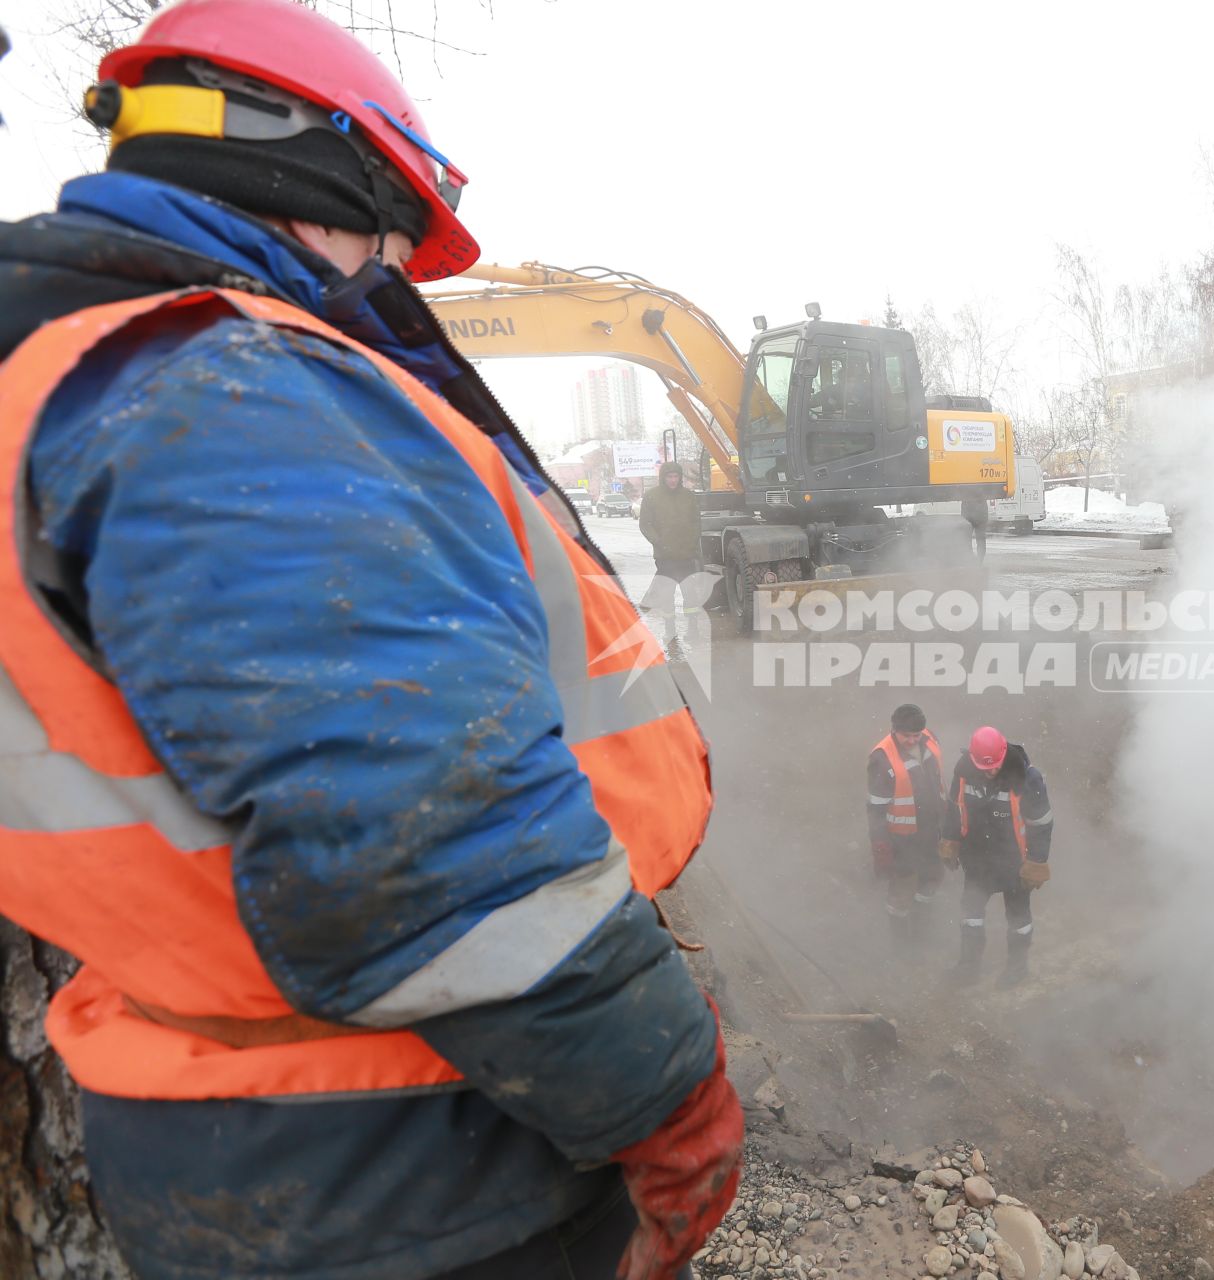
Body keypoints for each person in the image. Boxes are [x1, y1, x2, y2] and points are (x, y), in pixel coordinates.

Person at [0, 3, 739, 1278]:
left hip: (245, 1117)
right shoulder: (221, 389)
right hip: (410, 1136)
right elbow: (426, 833)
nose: (388, 267)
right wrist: (669, 1099)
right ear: (299, 166)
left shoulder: (73, 374)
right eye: (388, 225)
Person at [941, 726, 1055, 987]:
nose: (990, 772)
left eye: (994, 767)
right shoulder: (963, 771)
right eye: (984, 768)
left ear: (1004, 756)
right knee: (971, 913)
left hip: (1015, 863)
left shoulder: (1028, 778)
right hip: (977, 859)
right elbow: (954, 808)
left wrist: (1037, 861)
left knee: (1018, 917)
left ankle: (1017, 966)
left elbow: (1042, 823)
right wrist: (950, 839)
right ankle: (968, 966)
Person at [866, 704, 946, 953]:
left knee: (931, 879)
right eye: (907, 735)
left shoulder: (929, 738)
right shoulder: (881, 759)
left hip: (933, 831)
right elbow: (876, 809)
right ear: (894, 730)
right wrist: (881, 847)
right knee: (901, 891)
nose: (913, 740)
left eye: (916, 735)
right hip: (902, 840)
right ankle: (901, 945)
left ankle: (922, 933)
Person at [637, 459, 703, 653]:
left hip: (686, 554)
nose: (673, 480)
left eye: (676, 476)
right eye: (669, 477)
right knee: (667, 596)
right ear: (663, 478)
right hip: (665, 556)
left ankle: (693, 630)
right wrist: (659, 542)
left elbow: (695, 522)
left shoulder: (689, 497)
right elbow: (645, 524)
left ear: (680, 477)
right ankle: (670, 632)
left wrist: (692, 541)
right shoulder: (652, 497)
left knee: (690, 595)